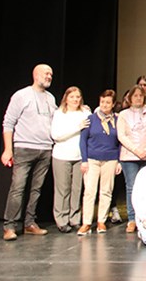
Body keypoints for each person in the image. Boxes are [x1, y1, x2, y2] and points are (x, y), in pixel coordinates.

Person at [0, 64, 56, 240]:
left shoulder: (51, 98)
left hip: (45, 149)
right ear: (36, 75)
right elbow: (8, 122)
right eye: (46, 73)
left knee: (36, 189)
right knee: (18, 188)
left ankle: (29, 223)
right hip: (24, 148)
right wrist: (8, 149)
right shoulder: (21, 95)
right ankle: (9, 226)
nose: (49, 76)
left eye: (51, 74)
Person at [78, 89, 121, 235]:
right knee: (90, 191)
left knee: (106, 191)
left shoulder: (117, 120)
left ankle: (101, 221)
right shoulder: (91, 119)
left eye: (108, 102)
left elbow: (120, 142)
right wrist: (84, 160)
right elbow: (83, 141)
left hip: (111, 159)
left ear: (113, 104)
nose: (104, 105)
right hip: (92, 159)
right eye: (102, 102)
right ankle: (86, 223)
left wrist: (119, 161)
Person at [50, 85, 91, 233]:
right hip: (62, 156)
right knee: (63, 189)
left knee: (77, 189)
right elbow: (56, 135)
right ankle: (61, 219)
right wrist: (77, 127)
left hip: (80, 157)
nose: (75, 99)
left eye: (78, 97)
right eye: (72, 97)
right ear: (66, 98)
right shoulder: (59, 113)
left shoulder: (85, 112)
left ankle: (75, 218)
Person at [118, 84, 146, 233]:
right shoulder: (123, 114)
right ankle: (132, 219)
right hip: (129, 156)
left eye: (141, 95)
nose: (138, 98)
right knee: (132, 187)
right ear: (129, 98)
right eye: (135, 95)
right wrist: (135, 150)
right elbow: (121, 135)